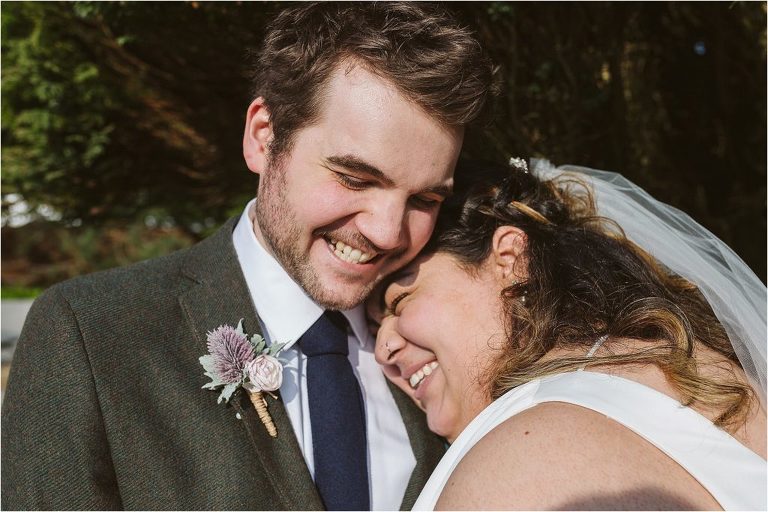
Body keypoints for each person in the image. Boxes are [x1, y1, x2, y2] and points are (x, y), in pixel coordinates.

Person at [1, 4, 497, 510]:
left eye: (424, 200)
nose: (387, 233)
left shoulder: (445, 349)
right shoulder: (90, 336)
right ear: (264, 137)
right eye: (355, 178)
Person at [370, 159, 767, 510]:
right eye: (373, 327)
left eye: (400, 302)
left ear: (509, 259)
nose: (382, 347)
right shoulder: (689, 364)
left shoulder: (525, 458)